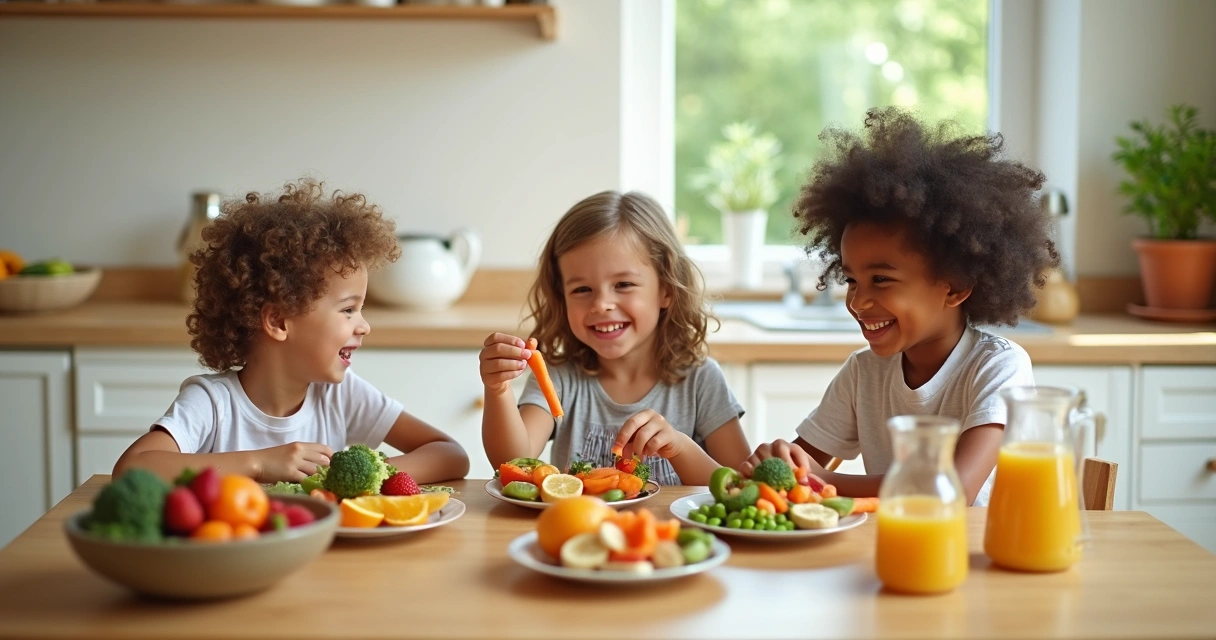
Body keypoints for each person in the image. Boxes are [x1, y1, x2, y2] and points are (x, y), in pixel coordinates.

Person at [739, 107, 1059, 506]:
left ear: (956, 285)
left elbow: (951, 492)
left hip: (974, 559)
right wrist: (780, 462)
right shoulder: (864, 373)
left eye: (882, 280)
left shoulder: (997, 368)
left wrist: (822, 482)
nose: (858, 301)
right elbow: (799, 469)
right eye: (852, 279)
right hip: (890, 550)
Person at [113, 179, 470, 484]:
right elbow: (133, 469)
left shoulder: (340, 394)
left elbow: (450, 455)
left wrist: (361, 477)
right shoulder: (213, 404)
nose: (364, 325)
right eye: (348, 310)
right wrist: (259, 463)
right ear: (279, 322)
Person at [479, 190, 751, 486]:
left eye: (623, 284)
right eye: (582, 289)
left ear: (666, 290)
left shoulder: (701, 381)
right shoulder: (559, 378)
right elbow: (513, 462)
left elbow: (738, 487)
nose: (601, 304)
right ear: (562, 297)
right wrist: (498, 390)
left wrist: (680, 447)